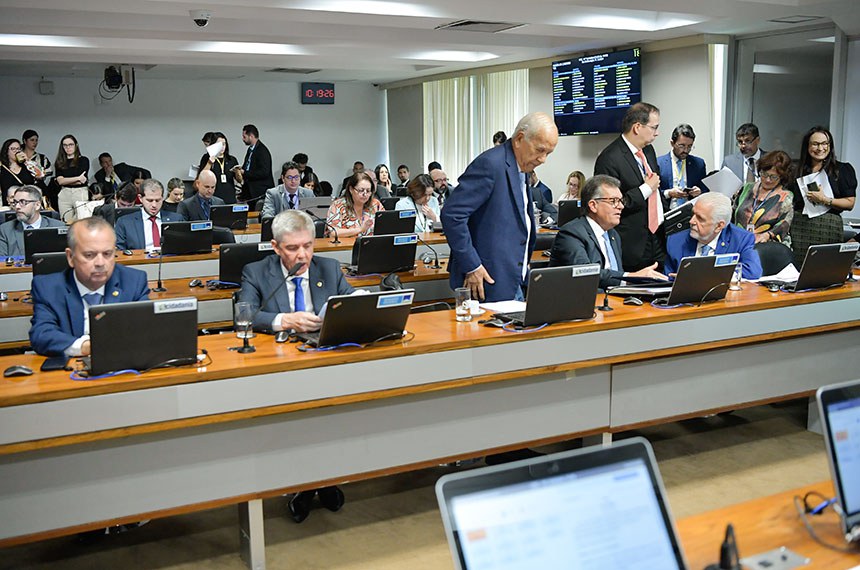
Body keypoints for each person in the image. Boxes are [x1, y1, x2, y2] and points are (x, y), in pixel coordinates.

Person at [237, 209, 352, 523]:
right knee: (298, 421)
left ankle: (319, 479)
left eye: (308, 246)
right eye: (292, 248)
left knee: (334, 417)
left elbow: (351, 299)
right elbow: (245, 314)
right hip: (281, 367)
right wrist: (284, 320)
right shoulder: (256, 271)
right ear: (276, 247)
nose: (302, 255)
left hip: (326, 362)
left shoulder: (329, 268)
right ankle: (307, 483)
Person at [441, 111, 558, 302]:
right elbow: (452, 215)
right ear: (519, 139)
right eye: (540, 150)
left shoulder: (522, 168)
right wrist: (472, 266)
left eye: (548, 153)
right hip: (485, 279)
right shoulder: (491, 164)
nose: (543, 159)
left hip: (513, 277)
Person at [29, 216, 150, 357]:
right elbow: (41, 335)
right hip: (71, 367)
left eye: (107, 254)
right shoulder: (47, 288)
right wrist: (86, 347)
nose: (100, 263)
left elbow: (146, 330)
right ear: (70, 257)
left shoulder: (134, 281)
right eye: (89, 255)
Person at [549, 175, 667, 289]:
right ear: (593, 205)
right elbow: (585, 274)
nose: (621, 206)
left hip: (615, 297)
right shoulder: (571, 234)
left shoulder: (613, 234)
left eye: (620, 201)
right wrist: (631, 277)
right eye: (614, 201)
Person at [593, 102, 666, 272]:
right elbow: (609, 204)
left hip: (657, 238)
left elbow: (656, 187)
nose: (657, 133)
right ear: (637, 127)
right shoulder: (609, 158)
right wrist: (646, 189)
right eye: (654, 127)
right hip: (631, 244)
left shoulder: (649, 151)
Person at [789, 126, 857, 264]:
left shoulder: (842, 169)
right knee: (798, 268)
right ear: (807, 146)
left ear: (830, 146)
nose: (820, 148)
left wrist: (824, 199)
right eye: (815, 144)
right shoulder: (796, 169)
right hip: (800, 228)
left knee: (826, 267)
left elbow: (850, 203)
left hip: (829, 228)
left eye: (825, 143)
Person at [665, 192, 762, 280]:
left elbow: (752, 272)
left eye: (700, 218)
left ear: (719, 226)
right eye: (693, 214)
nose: (691, 221)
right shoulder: (676, 241)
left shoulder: (741, 239)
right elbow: (668, 278)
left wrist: (701, 274)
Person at [733, 150, 794, 245]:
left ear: (782, 177)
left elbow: (783, 224)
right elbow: (733, 212)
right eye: (764, 174)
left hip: (767, 245)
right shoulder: (747, 188)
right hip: (739, 241)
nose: (768, 180)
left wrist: (766, 236)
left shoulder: (786, 196)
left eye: (773, 177)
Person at [115, 178, 185, 250]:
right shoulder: (125, 222)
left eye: (157, 200)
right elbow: (119, 252)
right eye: (150, 200)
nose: (154, 205)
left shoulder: (177, 220)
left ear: (162, 198)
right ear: (140, 198)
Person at [0, 185, 66, 257]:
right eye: (15, 202)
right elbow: (2, 260)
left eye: (23, 202)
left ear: (37, 205)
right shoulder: (5, 230)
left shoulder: (58, 227)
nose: (17, 207)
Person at [657, 124, 707, 210]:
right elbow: (653, 194)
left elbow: (705, 190)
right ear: (672, 143)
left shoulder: (699, 164)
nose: (686, 150)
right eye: (682, 146)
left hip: (691, 212)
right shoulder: (658, 163)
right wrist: (669, 193)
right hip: (667, 212)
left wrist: (699, 192)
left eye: (689, 146)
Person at [325, 171, 383, 238]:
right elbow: (333, 233)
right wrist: (360, 229)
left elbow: (386, 225)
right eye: (361, 190)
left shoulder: (376, 204)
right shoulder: (338, 205)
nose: (365, 194)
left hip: (372, 243)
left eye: (368, 191)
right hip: (345, 244)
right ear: (351, 189)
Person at [53, 135, 90, 223]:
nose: (68, 147)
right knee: (65, 222)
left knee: (82, 221)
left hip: (80, 192)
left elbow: (82, 181)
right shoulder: (59, 162)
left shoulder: (83, 160)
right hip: (64, 193)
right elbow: (60, 181)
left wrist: (67, 180)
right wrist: (77, 178)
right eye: (65, 145)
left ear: (76, 145)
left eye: (70, 144)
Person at [198, 131, 240, 204]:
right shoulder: (206, 157)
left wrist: (238, 172)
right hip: (214, 196)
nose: (222, 147)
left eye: (224, 144)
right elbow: (202, 176)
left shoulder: (231, 159)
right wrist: (209, 163)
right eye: (219, 144)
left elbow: (239, 180)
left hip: (229, 196)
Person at [236, 124, 274, 202]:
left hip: (260, 191)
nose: (243, 139)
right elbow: (248, 165)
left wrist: (245, 172)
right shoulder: (250, 150)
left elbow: (264, 172)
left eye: (244, 137)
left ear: (251, 136)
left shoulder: (262, 151)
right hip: (250, 190)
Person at [0, 139, 36, 204]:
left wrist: (27, 161)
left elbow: (40, 175)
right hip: (9, 203)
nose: (16, 151)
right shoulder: (2, 168)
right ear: (6, 151)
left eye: (18, 149)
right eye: (13, 149)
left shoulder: (26, 166)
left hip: (27, 202)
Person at [21, 129, 52, 196]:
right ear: (25, 141)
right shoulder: (19, 157)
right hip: (21, 188)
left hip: (38, 188)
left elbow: (49, 170)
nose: (35, 142)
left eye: (36, 140)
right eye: (32, 140)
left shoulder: (42, 158)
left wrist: (42, 175)